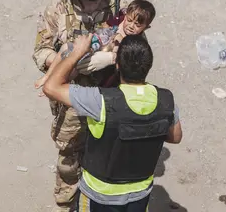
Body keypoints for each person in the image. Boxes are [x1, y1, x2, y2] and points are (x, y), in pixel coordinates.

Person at [32, 0, 128, 211]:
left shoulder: (120, 8)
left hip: (109, 96)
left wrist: (115, 56)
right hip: (70, 97)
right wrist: (67, 61)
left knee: (108, 152)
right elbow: (40, 51)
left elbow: (137, 56)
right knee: (68, 157)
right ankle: (66, 204)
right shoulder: (58, 9)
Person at [43, 34, 183, 211]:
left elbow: (51, 87)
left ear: (117, 65)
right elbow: (176, 137)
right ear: (148, 66)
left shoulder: (100, 101)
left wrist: (77, 52)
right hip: (139, 193)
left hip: (99, 195)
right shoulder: (166, 100)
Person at [34, 0, 156, 92]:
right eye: (129, 20)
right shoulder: (120, 18)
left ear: (146, 27)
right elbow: (105, 25)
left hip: (103, 77)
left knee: (76, 67)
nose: (131, 26)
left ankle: (56, 85)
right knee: (65, 48)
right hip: (94, 45)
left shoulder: (135, 41)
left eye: (137, 25)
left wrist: (111, 56)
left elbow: (130, 61)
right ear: (126, 15)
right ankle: (48, 77)